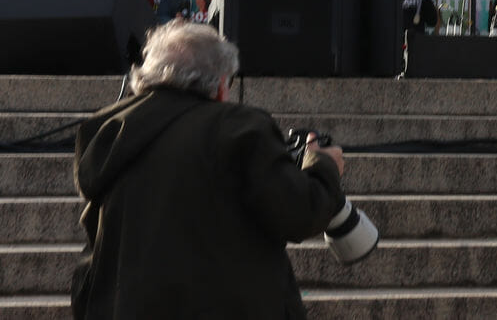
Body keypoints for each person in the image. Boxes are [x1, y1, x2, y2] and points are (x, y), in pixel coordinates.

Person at [71, 20, 346, 318]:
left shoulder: (108, 130)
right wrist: (324, 165)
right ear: (218, 85)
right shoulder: (237, 127)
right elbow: (299, 213)